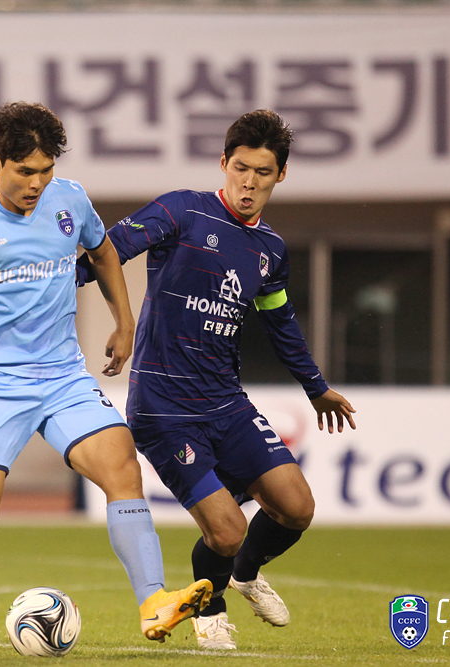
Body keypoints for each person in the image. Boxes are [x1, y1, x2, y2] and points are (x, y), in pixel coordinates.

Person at [0, 102, 210, 643]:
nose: (37, 183)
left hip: (63, 378)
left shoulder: (69, 199)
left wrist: (125, 322)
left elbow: (103, 254)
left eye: (46, 170)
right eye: (25, 171)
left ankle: (152, 604)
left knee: (121, 467)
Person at [76, 109, 356, 650]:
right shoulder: (183, 210)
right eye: (241, 168)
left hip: (226, 402)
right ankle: (211, 609)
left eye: (263, 173)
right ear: (223, 162)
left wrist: (315, 387)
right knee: (226, 530)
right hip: (163, 407)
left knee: (296, 507)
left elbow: (280, 322)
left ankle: (245, 573)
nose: (249, 182)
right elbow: (106, 253)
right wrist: (51, 285)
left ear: (281, 175)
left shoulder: (270, 250)